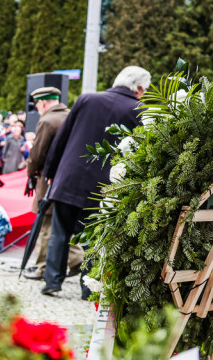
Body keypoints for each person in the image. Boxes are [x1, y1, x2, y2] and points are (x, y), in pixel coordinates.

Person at [41, 65, 149, 298]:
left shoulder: (86, 99)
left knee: (59, 233)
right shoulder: (138, 109)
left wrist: (49, 171)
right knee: (94, 239)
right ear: (138, 87)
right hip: (103, 186)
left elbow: (61, 139)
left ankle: (52, 281)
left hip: (68, 179)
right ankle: (87, 288)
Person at [23, 86, 80, 281]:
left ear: (43, 103)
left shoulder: (47, 120)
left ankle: (43, 267)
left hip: (50, 180)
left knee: (46, 225)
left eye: (37, 104)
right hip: (72, 180)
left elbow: (37, 155)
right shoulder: (73, 115)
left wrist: (30, 173)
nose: (37, 108)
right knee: (64, 223)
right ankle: (76, 260)